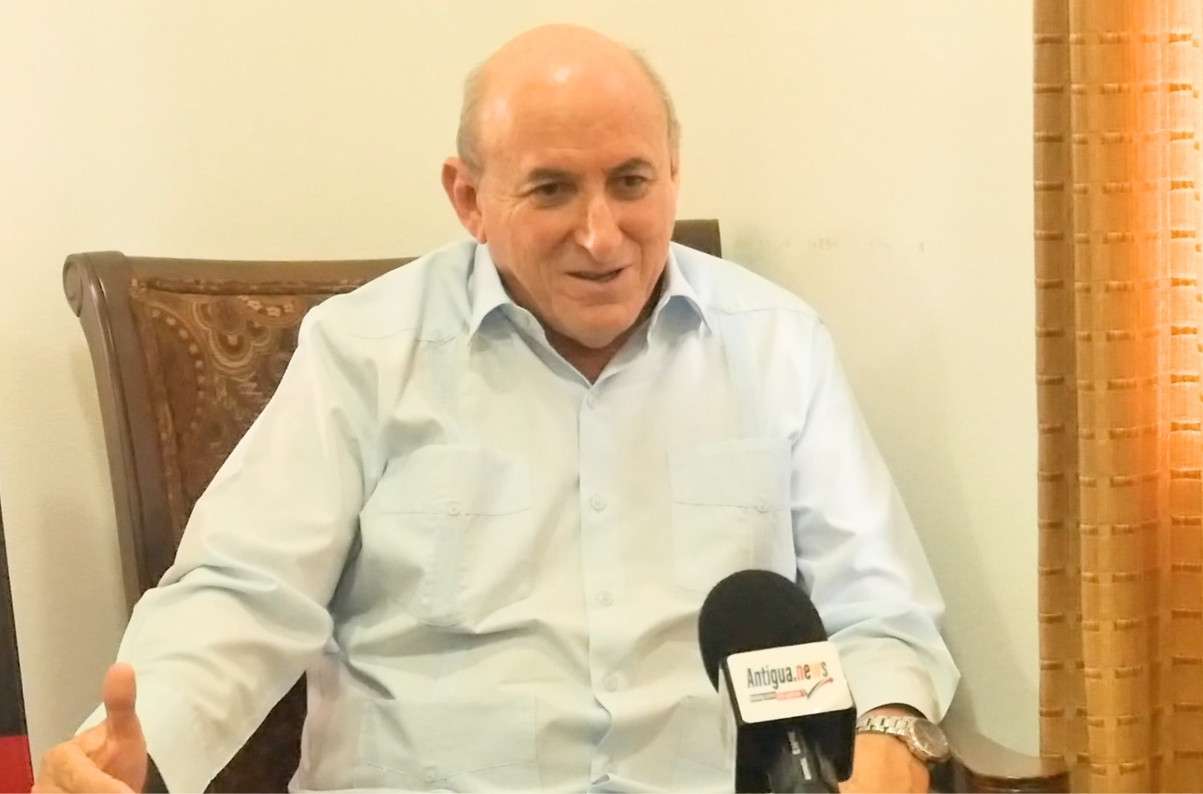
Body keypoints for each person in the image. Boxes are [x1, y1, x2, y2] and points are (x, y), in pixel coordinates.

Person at [36, 24, 958, 794]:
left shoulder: (778, 346)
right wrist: (136, 748)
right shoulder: (364, 351)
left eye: (631, 182)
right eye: (552, 189)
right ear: (468, 197)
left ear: (674, 174)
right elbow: (244, 592)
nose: (601, 235)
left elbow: (878, 608)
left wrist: (888, 730)